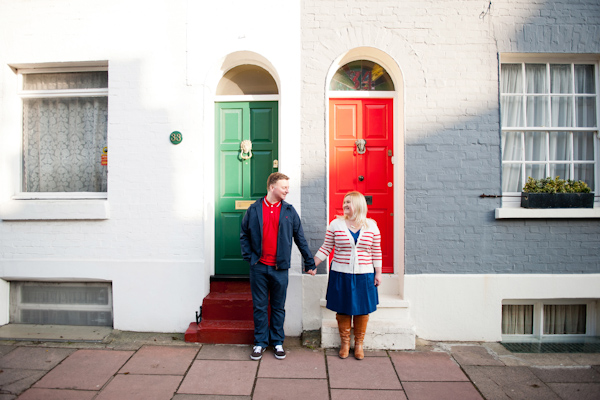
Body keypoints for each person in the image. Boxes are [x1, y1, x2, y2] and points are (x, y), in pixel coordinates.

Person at [240, 172, 317, 361]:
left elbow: (300, 238)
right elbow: (244, 235)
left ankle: (277, 342)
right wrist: (250, 257)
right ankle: (259, 343)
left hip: (279, 268)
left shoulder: (289, 211)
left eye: (287, 187)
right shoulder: (254, 209)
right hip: (259, 267)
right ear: (272, 187)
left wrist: (309, 262)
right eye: (284, 187)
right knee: (259, 306)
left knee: (278, 307)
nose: (287, 190)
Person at [311, 191, 382, 360]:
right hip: (340, 273)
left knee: (362, 309)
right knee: (342, 309)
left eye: (349, 201)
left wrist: (378, 272)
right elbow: (326, 247)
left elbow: (376, 251)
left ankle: (358, 343)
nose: (345, 204)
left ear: (358, 204)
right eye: (344, 201)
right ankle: (344, 343)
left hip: (364, 274)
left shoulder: (372, 225)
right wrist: (312, 264)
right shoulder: (335, 224)